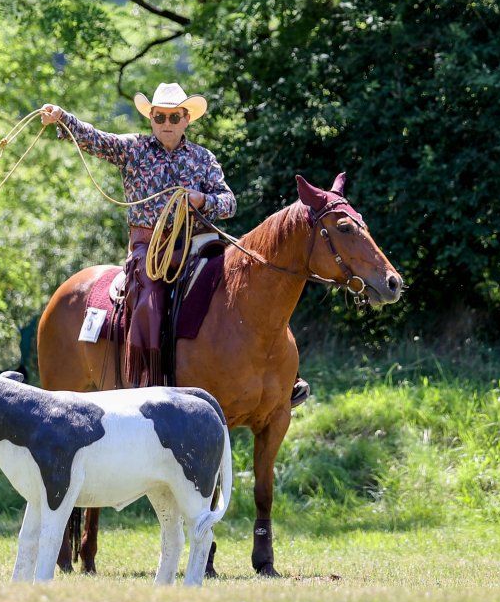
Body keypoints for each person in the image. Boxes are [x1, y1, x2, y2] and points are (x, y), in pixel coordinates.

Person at [41, 82, 310, 405]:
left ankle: (284, 374)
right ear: (151, 119)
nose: (166, 124)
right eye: (160, 117)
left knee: (251, 278)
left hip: (198, 243)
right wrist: (63, 118)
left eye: (173, 117)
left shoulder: (202, 158)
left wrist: (203, 200)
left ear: (186, 120)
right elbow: (95, 139)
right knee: (149, 299)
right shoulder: (133, 149)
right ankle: (147, 383)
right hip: (149, 249)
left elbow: (229, 202)